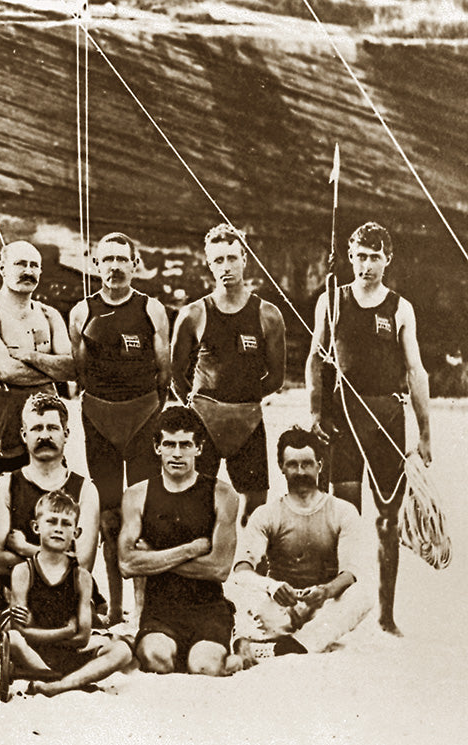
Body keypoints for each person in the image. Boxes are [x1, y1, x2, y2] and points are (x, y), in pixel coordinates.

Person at [306, 222, 432, 635]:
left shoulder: (400, 308)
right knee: (345, 516)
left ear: (388, 259)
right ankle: (342, 610)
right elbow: (315, 359)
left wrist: (425, 434)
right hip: (343, 420)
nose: (366, 265)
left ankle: (385, 615)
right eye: (360, 256)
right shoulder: (332, 299)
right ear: (349, 256)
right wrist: (315, 413)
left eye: (375, 257)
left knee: (387, 520)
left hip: (387, 422)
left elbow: (415, 371)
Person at [67, 232, 171, 626]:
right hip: (99, 419)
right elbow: (79, 375)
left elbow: (164, 373)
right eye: (107, 259)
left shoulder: (151, 309)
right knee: (109, 518)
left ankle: (143, 607)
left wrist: (146, 408)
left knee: (142, 514)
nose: (114, 266)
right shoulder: (82, 311)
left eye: (121, 259)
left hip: (143, 416)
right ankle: (113, 606)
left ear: (134, 264)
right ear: (96, 266)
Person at [170, 224, 285, 525]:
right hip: (204, 421)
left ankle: (245, 556)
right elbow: (175, 372)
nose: (226, 267)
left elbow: (276, 378)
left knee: (255, 509)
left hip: (248, 421)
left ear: (244, 259)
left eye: (232, 258)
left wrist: (244, 400)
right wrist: (198, 406)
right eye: (218, 260)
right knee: (198, 505)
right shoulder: (193, 314)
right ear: (209, 264)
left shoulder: (268, 315)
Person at [228, 427, 372, 663]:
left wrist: (325, 591)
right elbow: (242, 569)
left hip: (322, 606)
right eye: (293, 465)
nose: (300, 471)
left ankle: (290, 647)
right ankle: (300, 642)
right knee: (237, 589)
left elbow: (350, 572)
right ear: (281, 467)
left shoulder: (343, 511)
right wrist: (272, 587)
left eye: (307, 464)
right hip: (281, 606)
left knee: (361, 595)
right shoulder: (267, 514)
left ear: (319, 465)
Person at [119, 406, 239, 676]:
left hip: (208, 607)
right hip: (160, 609)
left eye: (185, 445)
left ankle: (233, 655)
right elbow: (127, 565)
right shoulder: (136, 495)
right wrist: (191, 549)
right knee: (155, 659)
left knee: (204, 666)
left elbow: (219, 569)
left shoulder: (222, 494)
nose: (176, 453)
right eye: (169, 444)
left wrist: (152, 557)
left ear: (199, 448)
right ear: (157, 447)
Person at [0, 393, 103, 618]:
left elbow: (83, 565)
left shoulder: (85, 490)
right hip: (17, 601)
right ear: (24, 435)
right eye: (36, 428)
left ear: (66, 434)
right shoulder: (6, 485)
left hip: (70, 600)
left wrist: (24, 549)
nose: (44, 435)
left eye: (52, 428)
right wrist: (60, 559)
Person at [4, 492, 133, 695]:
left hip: (69, 654)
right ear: (36, 527)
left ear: (76, 533)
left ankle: (56, 685)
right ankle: (68, 680)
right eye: (51, 521)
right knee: (12, 639)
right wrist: (66, 631)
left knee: (122, 651)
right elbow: (20, 631)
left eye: (66, 523)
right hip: (34, 655)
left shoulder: (81, 577)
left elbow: (83, 637)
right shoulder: (23, 571)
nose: (58, 528)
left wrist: (39, 631)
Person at [0, 240, 73, 491]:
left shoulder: (49, 314)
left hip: (46, 428)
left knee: (50, 506)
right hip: (1, 431)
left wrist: (29, 356)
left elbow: (71, 369)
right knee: (0, 505)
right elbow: (5, 370)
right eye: (20, 264)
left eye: (34, 265)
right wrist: (51, 370)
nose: (28, 271)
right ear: (2, 268)